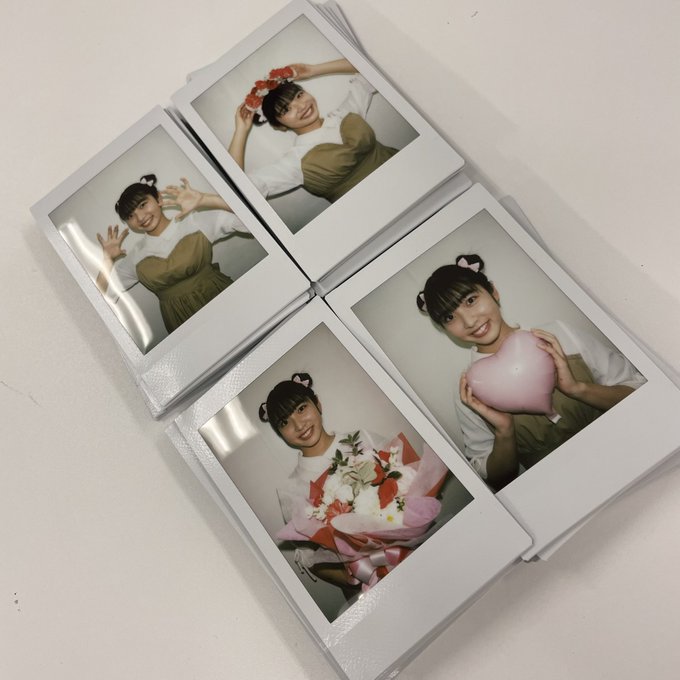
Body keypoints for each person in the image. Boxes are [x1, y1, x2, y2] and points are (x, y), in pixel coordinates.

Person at [417, 254, 645, 490]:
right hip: (561, 490)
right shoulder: (468, 389)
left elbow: (639, 389)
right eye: (450, 316)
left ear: (493, 291)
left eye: (471, 300)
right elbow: (496, 479)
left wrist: (579, 389)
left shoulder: (558, 334)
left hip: (631, 450)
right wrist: (504, 432)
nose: (469, 321)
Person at [259, 372, 381, 599]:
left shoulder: (362, 440)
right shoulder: (292, 491)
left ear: (317, 404)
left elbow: (406, 483)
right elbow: (311, 556)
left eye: (301, 408)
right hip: (367, 587)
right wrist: (357, 576)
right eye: (285, 422)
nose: (298, 425)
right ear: (280, 433)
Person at [95, 174, 251, 334]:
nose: (140, 217)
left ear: (159, 199)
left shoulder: (195, 222)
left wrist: (206, 199)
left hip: (222, 298)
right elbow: (99, 298)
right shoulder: (135, 258)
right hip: (181, 322)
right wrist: (107, 260)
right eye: (130, 215)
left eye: (142, 205)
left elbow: (251, 223)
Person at [228, 59, 398, 204]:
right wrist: (241, 131)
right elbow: (237, 189)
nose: (301, 106)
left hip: (403, 171)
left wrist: (313, 70)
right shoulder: (294, 162)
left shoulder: (345, 113)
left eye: (299, 95)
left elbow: (373, 64)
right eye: (286, 109)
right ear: (280, 126)